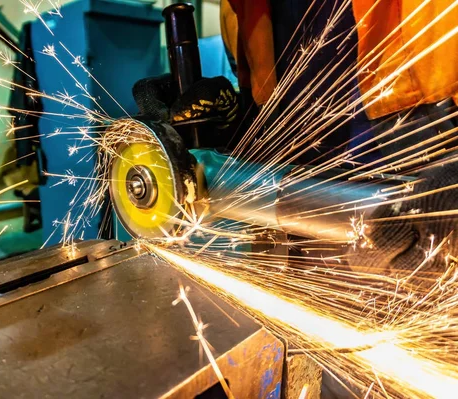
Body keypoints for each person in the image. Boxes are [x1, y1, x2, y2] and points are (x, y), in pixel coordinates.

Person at [133, 0, 458, 274]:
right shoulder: (240, 7)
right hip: (296, 250)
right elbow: (279, 103)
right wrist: (227, 126)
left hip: (418, 224)